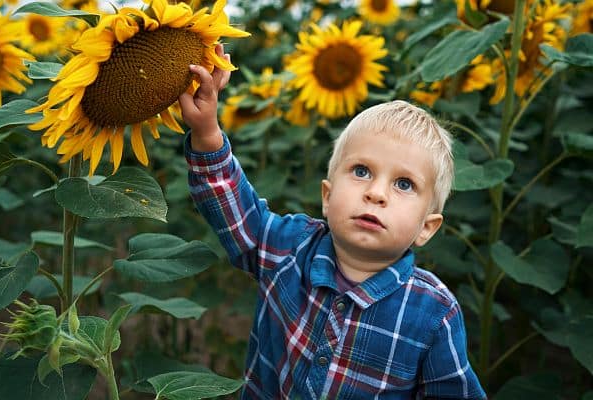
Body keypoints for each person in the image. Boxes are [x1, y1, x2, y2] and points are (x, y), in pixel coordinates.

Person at [178, 44, 486, 399]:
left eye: (404, 184)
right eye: (361, 171)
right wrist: (206, 132)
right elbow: (235, 213)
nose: (376, 193)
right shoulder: (289, 249)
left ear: (427, 228)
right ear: (327, 196)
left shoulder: (433, 314)